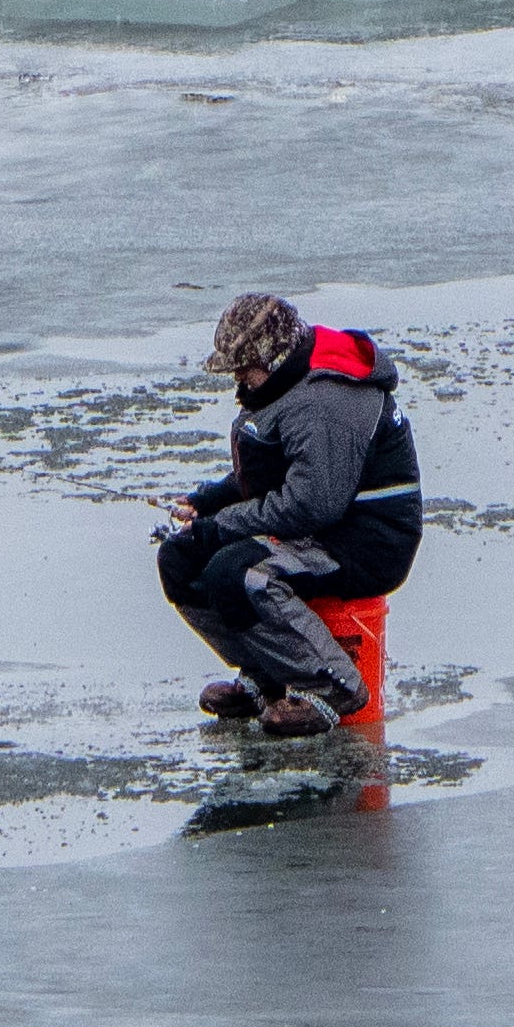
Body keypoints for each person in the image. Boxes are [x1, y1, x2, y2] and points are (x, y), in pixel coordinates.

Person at [153, 292, 421, 737]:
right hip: (322, 526)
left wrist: (219, 527)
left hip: (366, 540)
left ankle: (333, 685)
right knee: (180, 562)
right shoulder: (284, 387)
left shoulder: (326, 404)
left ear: (274, 358)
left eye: (243, 367)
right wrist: (208, 501)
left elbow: (310, 503)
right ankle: (267, 675)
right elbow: (276, 469)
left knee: (239, 574)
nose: (237, 377)